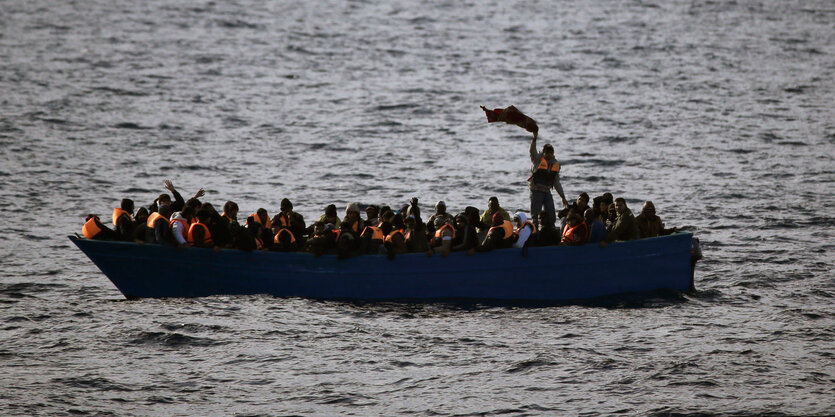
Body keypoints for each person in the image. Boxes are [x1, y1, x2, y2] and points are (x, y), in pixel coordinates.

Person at [529, 135, 568, 229]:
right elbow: (532, 151)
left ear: (553, 153)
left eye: (551, 152)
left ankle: (551, 231)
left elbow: (556, 182)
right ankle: (535, 234)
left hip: (547, 191)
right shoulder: (537, 159)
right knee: (535, 216)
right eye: (547, 152)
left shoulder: (555, 164)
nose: (549, 154)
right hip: (536, 190)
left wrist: (562, 196)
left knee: (551, 215)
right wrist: (534, 140)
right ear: (544, 152)